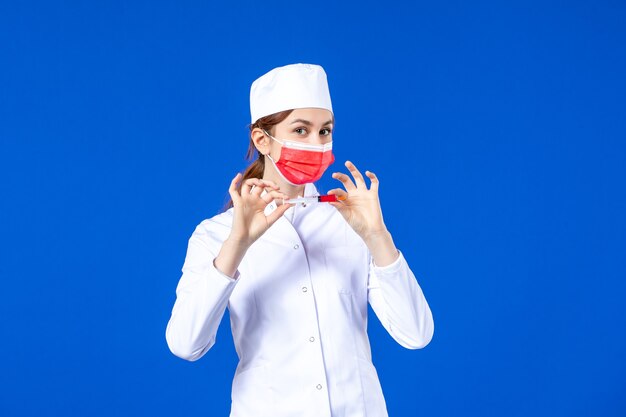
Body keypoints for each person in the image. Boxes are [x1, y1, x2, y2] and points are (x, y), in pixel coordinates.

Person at [165, 63, 434, 417]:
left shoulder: (350, 223)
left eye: (325, 131)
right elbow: (186, 344)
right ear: (263, 140)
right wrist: (237, 245)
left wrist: (377, 235)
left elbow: (416, 334)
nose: (317, 143)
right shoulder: (215, 234)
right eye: (301, 130)